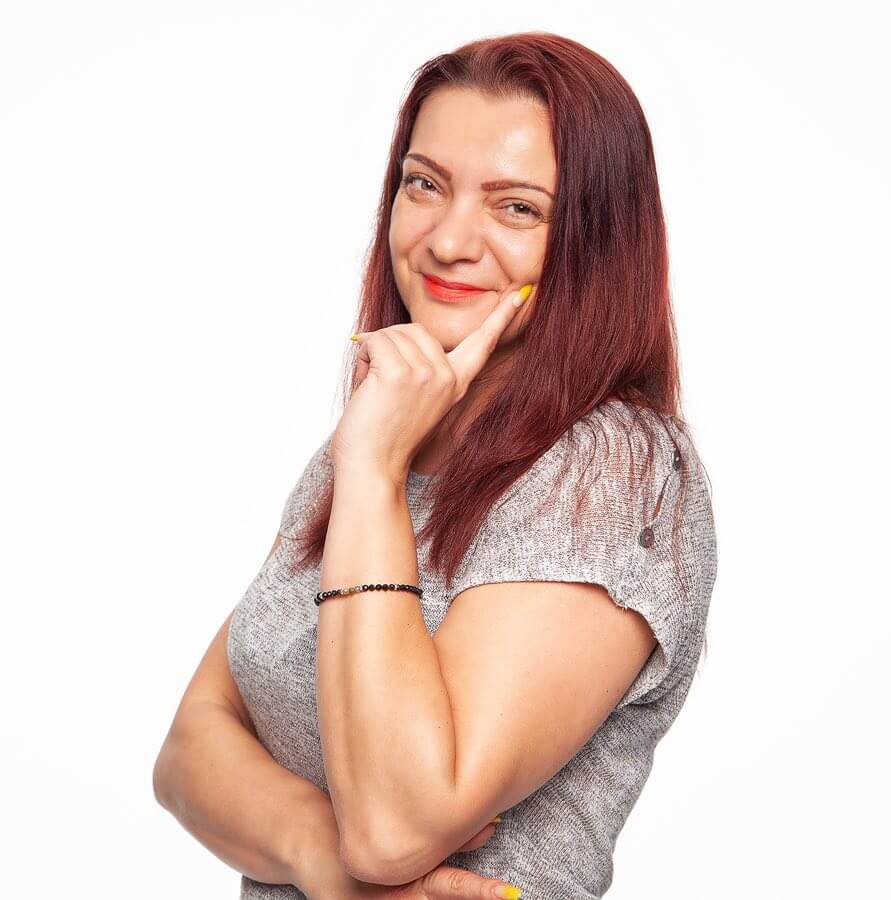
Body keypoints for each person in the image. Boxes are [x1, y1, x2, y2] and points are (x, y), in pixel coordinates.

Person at [153, 31, 718, 900]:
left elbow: (394, 829)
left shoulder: (612, 468)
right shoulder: (379, 436)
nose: (450, 241)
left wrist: (374, 475)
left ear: (595, 240)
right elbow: (189, 747)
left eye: (516, 207)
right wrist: (316, 852)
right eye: (425, 184)